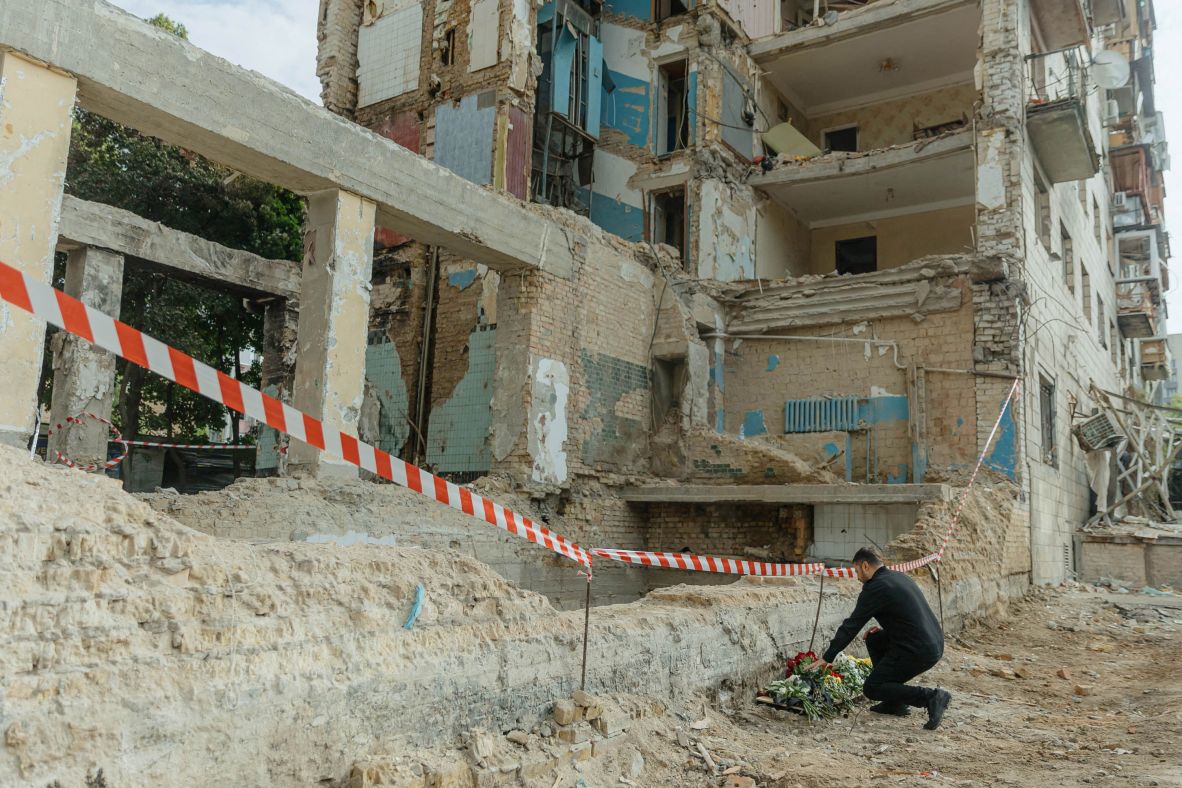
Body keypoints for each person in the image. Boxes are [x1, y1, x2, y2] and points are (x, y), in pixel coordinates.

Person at [820, 547, 952, 730]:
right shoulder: (898, 577)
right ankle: (894, 703)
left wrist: (827, 657)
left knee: (872, 688)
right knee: (875, 639)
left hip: (919, 650)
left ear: (865, 566)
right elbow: (907, 615)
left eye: (857, 571)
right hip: (933, 642)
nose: (857, 577)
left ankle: (931, 697)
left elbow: (851, 626)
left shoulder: (875, 588)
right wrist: (887, 630)